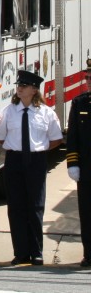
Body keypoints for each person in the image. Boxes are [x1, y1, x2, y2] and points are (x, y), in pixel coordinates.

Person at [0, 70, 63, 266]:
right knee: (16, 208)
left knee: (35, 207)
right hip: (14, 160)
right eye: (19, 85)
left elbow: (56, 139)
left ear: (34, 90)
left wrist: (38, 149)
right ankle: (21, 252)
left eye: (24, 86)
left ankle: (36, 252)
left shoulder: (46, 113)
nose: (19, 88)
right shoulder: (8, 111)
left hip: (36, 161)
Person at [67, 59, 91, 267]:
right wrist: (72, 163)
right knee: (86, 211)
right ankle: (89, 254)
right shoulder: (79, 102)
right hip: (86, 168)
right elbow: (73, 136)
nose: (89, 81)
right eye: (87, 78)